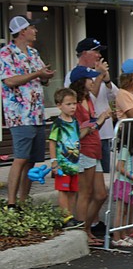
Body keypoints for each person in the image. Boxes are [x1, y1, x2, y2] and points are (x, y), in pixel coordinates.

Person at [0, 16, 55, 209]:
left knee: (31, 160)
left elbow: (39, 78)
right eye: (32, 27)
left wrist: (46, 77)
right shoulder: (6, 53)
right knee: (21, 158)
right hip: (20, 115)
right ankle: (12, 202)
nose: (35, 31)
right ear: (22, 31)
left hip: (37, 113)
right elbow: (9, 81)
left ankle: (24, 200)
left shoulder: (33, 52)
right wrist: (37, 74)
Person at [65, 38, 119, 187]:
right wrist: (100, 77)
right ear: (84, 53)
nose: (98, 55)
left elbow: (116, 96)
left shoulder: (98, 74)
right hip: (85, 138)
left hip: (104, 133)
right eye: (95, 51)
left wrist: (106, 80)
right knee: (87, 189)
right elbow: (80, 101)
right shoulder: (72, 76)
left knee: (102, 189)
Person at [69, 66, 112, 245]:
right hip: (84, 149)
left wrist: (102, 120)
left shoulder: (88, 99)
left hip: (94, 148)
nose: (93, 81)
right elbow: (79, 132)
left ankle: (86, 228)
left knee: (101, 193)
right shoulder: (76, 104)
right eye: (90, 78)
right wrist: (99, 121)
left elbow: (92, 125)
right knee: (85, 192)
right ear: (81, 81)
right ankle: (81, 232)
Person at [48, 88, 83, 229]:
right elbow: (52, 142)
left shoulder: (74, 122)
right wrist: (54, 161)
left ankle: (71, 215)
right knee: (63, 189)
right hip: (63, 163)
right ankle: (65, 216)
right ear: (59, 105)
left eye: (74, 103)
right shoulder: (58, 124)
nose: (72, 107)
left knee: (73, 189)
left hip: (74, 162)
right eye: (68, 104)